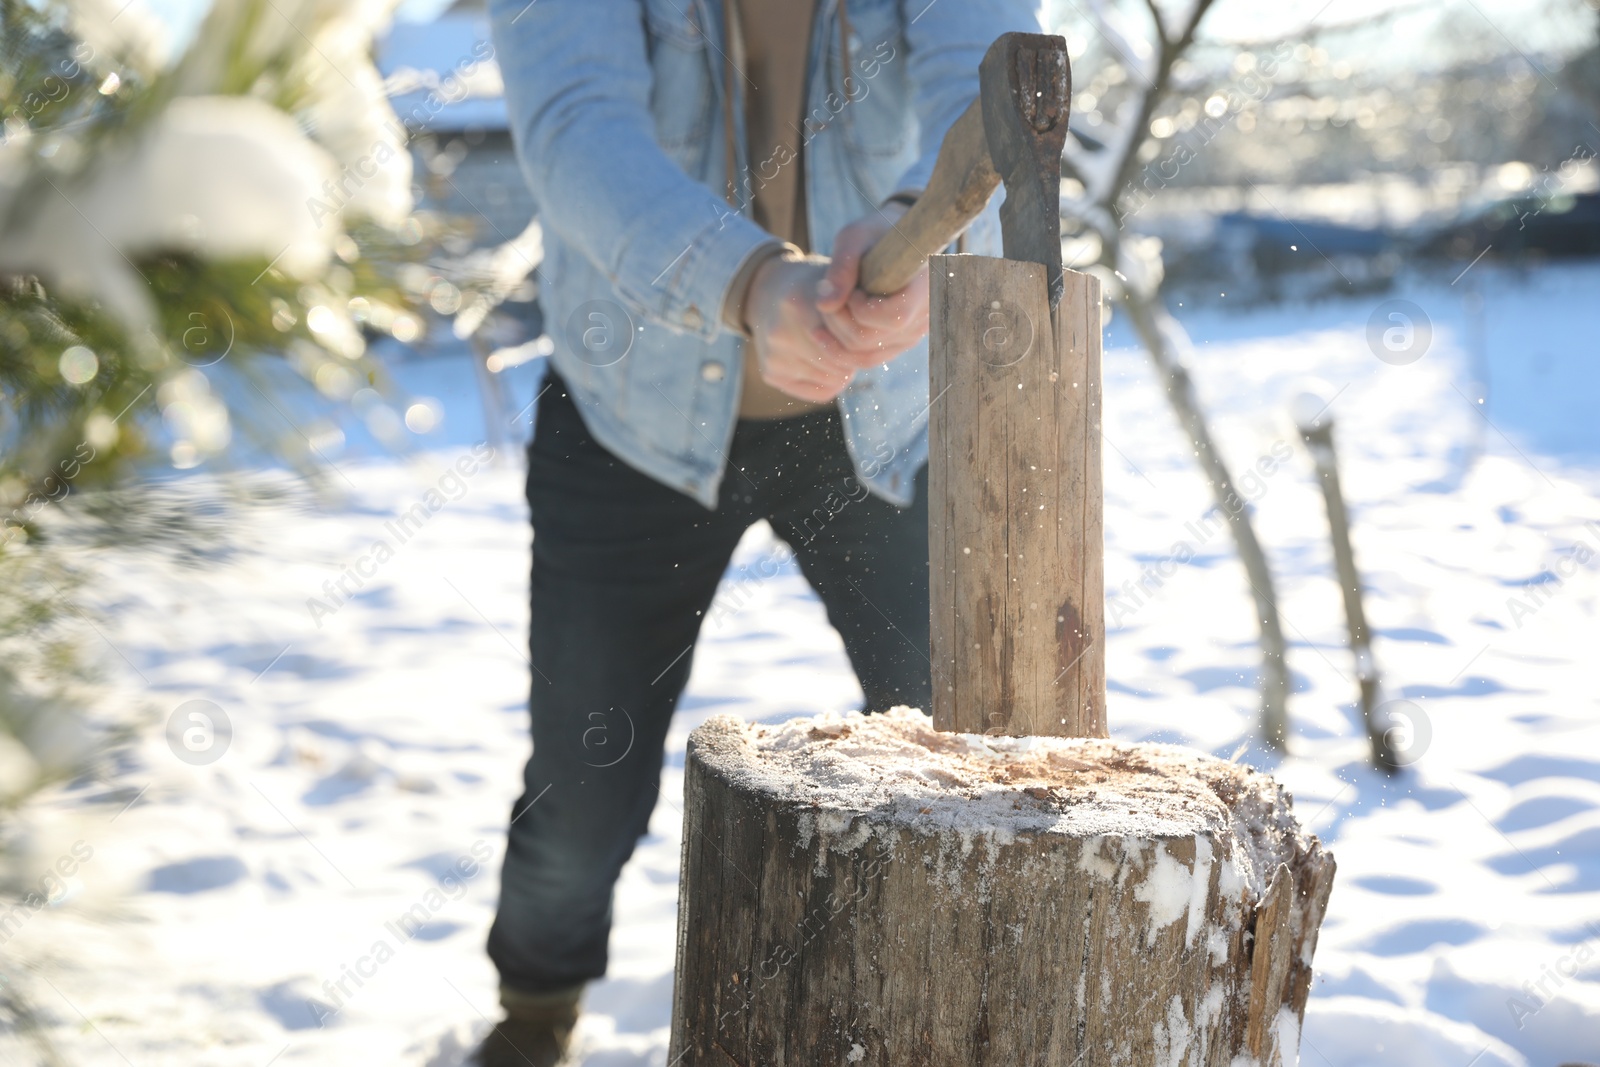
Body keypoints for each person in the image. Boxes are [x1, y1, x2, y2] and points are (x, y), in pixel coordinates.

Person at [479, 0, 1041, 1062]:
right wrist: (744, 283)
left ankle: (972, 1015)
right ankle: (535, 1006)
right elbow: (575, 127)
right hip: (630, 423)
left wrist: (925, 217)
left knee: (962, 752)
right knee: (585, 793)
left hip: (880, 420)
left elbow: (989, 80)